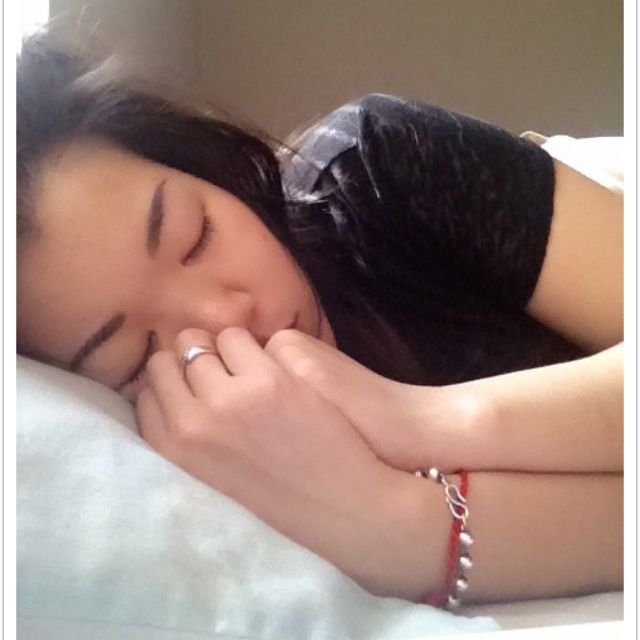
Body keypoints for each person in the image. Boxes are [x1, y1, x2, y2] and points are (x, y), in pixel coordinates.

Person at [17, 32, 622, 606]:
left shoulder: (380, 165)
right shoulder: (188, 469)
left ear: (208, 170)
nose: (229, 317)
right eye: (134, 355)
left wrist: (414, 424)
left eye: (195, 236)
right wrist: (394, 522)